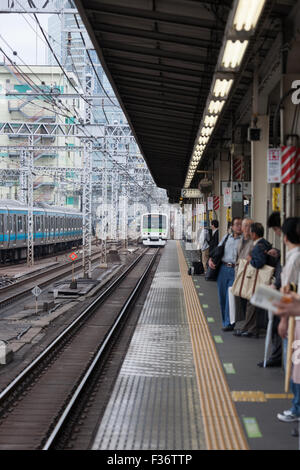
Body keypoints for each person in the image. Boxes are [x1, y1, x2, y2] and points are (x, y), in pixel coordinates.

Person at [272, 217, 300, 423]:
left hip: (295, 321)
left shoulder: (293, 258)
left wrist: (282, 320)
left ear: (285, 236)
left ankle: (296, 408)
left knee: (295, 364)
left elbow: (287, 292)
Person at [256, 212, 283, 367]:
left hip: (285, 293)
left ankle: (277, 357)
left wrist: (276, 284)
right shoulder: (287, 247)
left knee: (276, 323)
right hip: (281, 290)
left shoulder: (292, 247)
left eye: (275, 230)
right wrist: (278, 254)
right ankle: (276, 355)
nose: (277, 234)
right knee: (273, 323)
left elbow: (287, 270)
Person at [239, 222, 273, 338]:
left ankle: (249, 329)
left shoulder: (258, 246)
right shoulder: (266, 243)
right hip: (261, 280)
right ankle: (250, 328)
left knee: (251, 303)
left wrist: (250, 259)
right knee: (253, 304)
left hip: (256, 280)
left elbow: (259, 263)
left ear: (254, 234)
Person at [209, 217, 242, 331]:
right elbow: (217, 251)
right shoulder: (226, 237)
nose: (239, 226)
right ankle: (225, 321)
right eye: (237, 224)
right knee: (222, 297)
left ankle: (229, 323)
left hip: (235, 270)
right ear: (232, 227)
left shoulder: (244, 240)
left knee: (230, 297)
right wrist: (211, 260)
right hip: (223, 269)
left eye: (240, 224)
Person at [233, 218, 254, 336]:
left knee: (249, 300)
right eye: (244, 226)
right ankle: (242, 324)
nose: (245, 229)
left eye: (248, 226)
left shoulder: (254, 242)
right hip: (239, 273)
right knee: (239, 299)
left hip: (249, 275)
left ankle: (248, 327)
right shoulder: (240, 240)